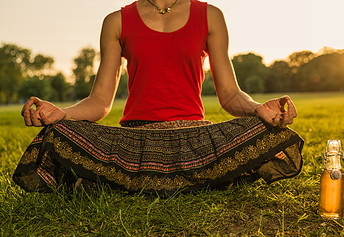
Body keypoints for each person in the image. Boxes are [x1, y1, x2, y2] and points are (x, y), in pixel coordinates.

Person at [13, 0, 304, 196]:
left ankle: (119, 181)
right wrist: (62, 114)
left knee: (268, 128)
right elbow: (100, 101)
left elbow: (229, 94)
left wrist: (257, 110)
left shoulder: (210, 15)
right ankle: (193, 178)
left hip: (195, 137)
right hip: (135, 140)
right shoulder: (116, 21)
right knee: (59, 131)